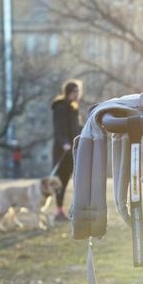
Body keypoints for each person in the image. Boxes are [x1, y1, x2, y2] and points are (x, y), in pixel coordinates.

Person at [50, 79, 82, 221]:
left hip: (72, 150)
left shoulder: (73, 108)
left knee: (68, 180)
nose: (77, 94)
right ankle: (58, 211)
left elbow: (76, 128)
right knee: (60, 181)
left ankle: (67, 210)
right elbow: (59, 128)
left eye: (78, 91)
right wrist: (64, 143)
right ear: (68, 92)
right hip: (62, 150)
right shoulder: (61, 107)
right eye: (74, 91)